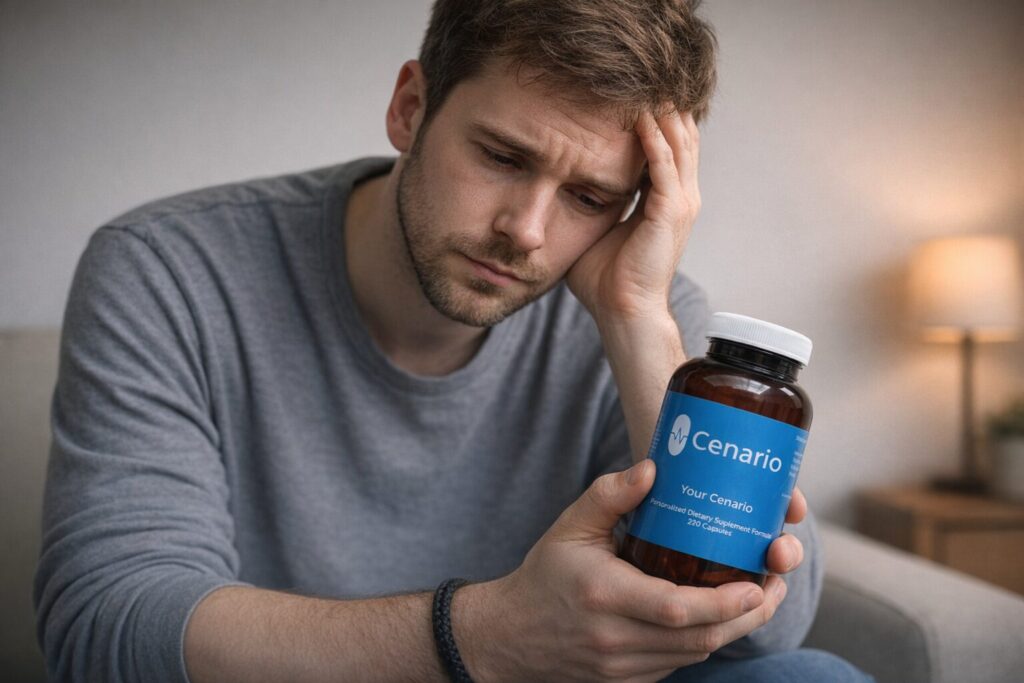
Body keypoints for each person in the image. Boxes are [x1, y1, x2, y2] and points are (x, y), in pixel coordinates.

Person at [34, 1, 873, 681]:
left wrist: (637, 318)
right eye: (503, 156)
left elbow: (771, 631)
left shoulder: (640, 312)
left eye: (589, 197)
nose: (527, 232)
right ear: (411, 107)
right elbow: (109, 627)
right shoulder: (166, 270)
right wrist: (485, 635)